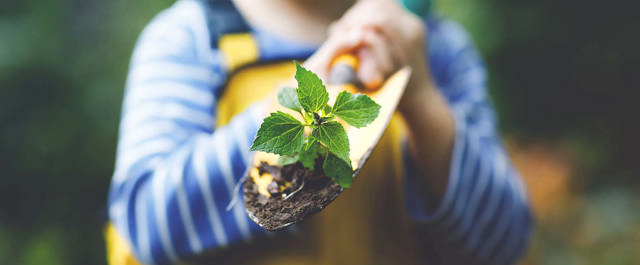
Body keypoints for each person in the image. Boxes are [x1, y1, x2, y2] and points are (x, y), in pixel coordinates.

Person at [106, 0, 534, 264]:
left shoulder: (434, 50)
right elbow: (148, 226)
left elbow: (503, 243)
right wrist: (298, 113)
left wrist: (421, 98)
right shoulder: (192, 40)